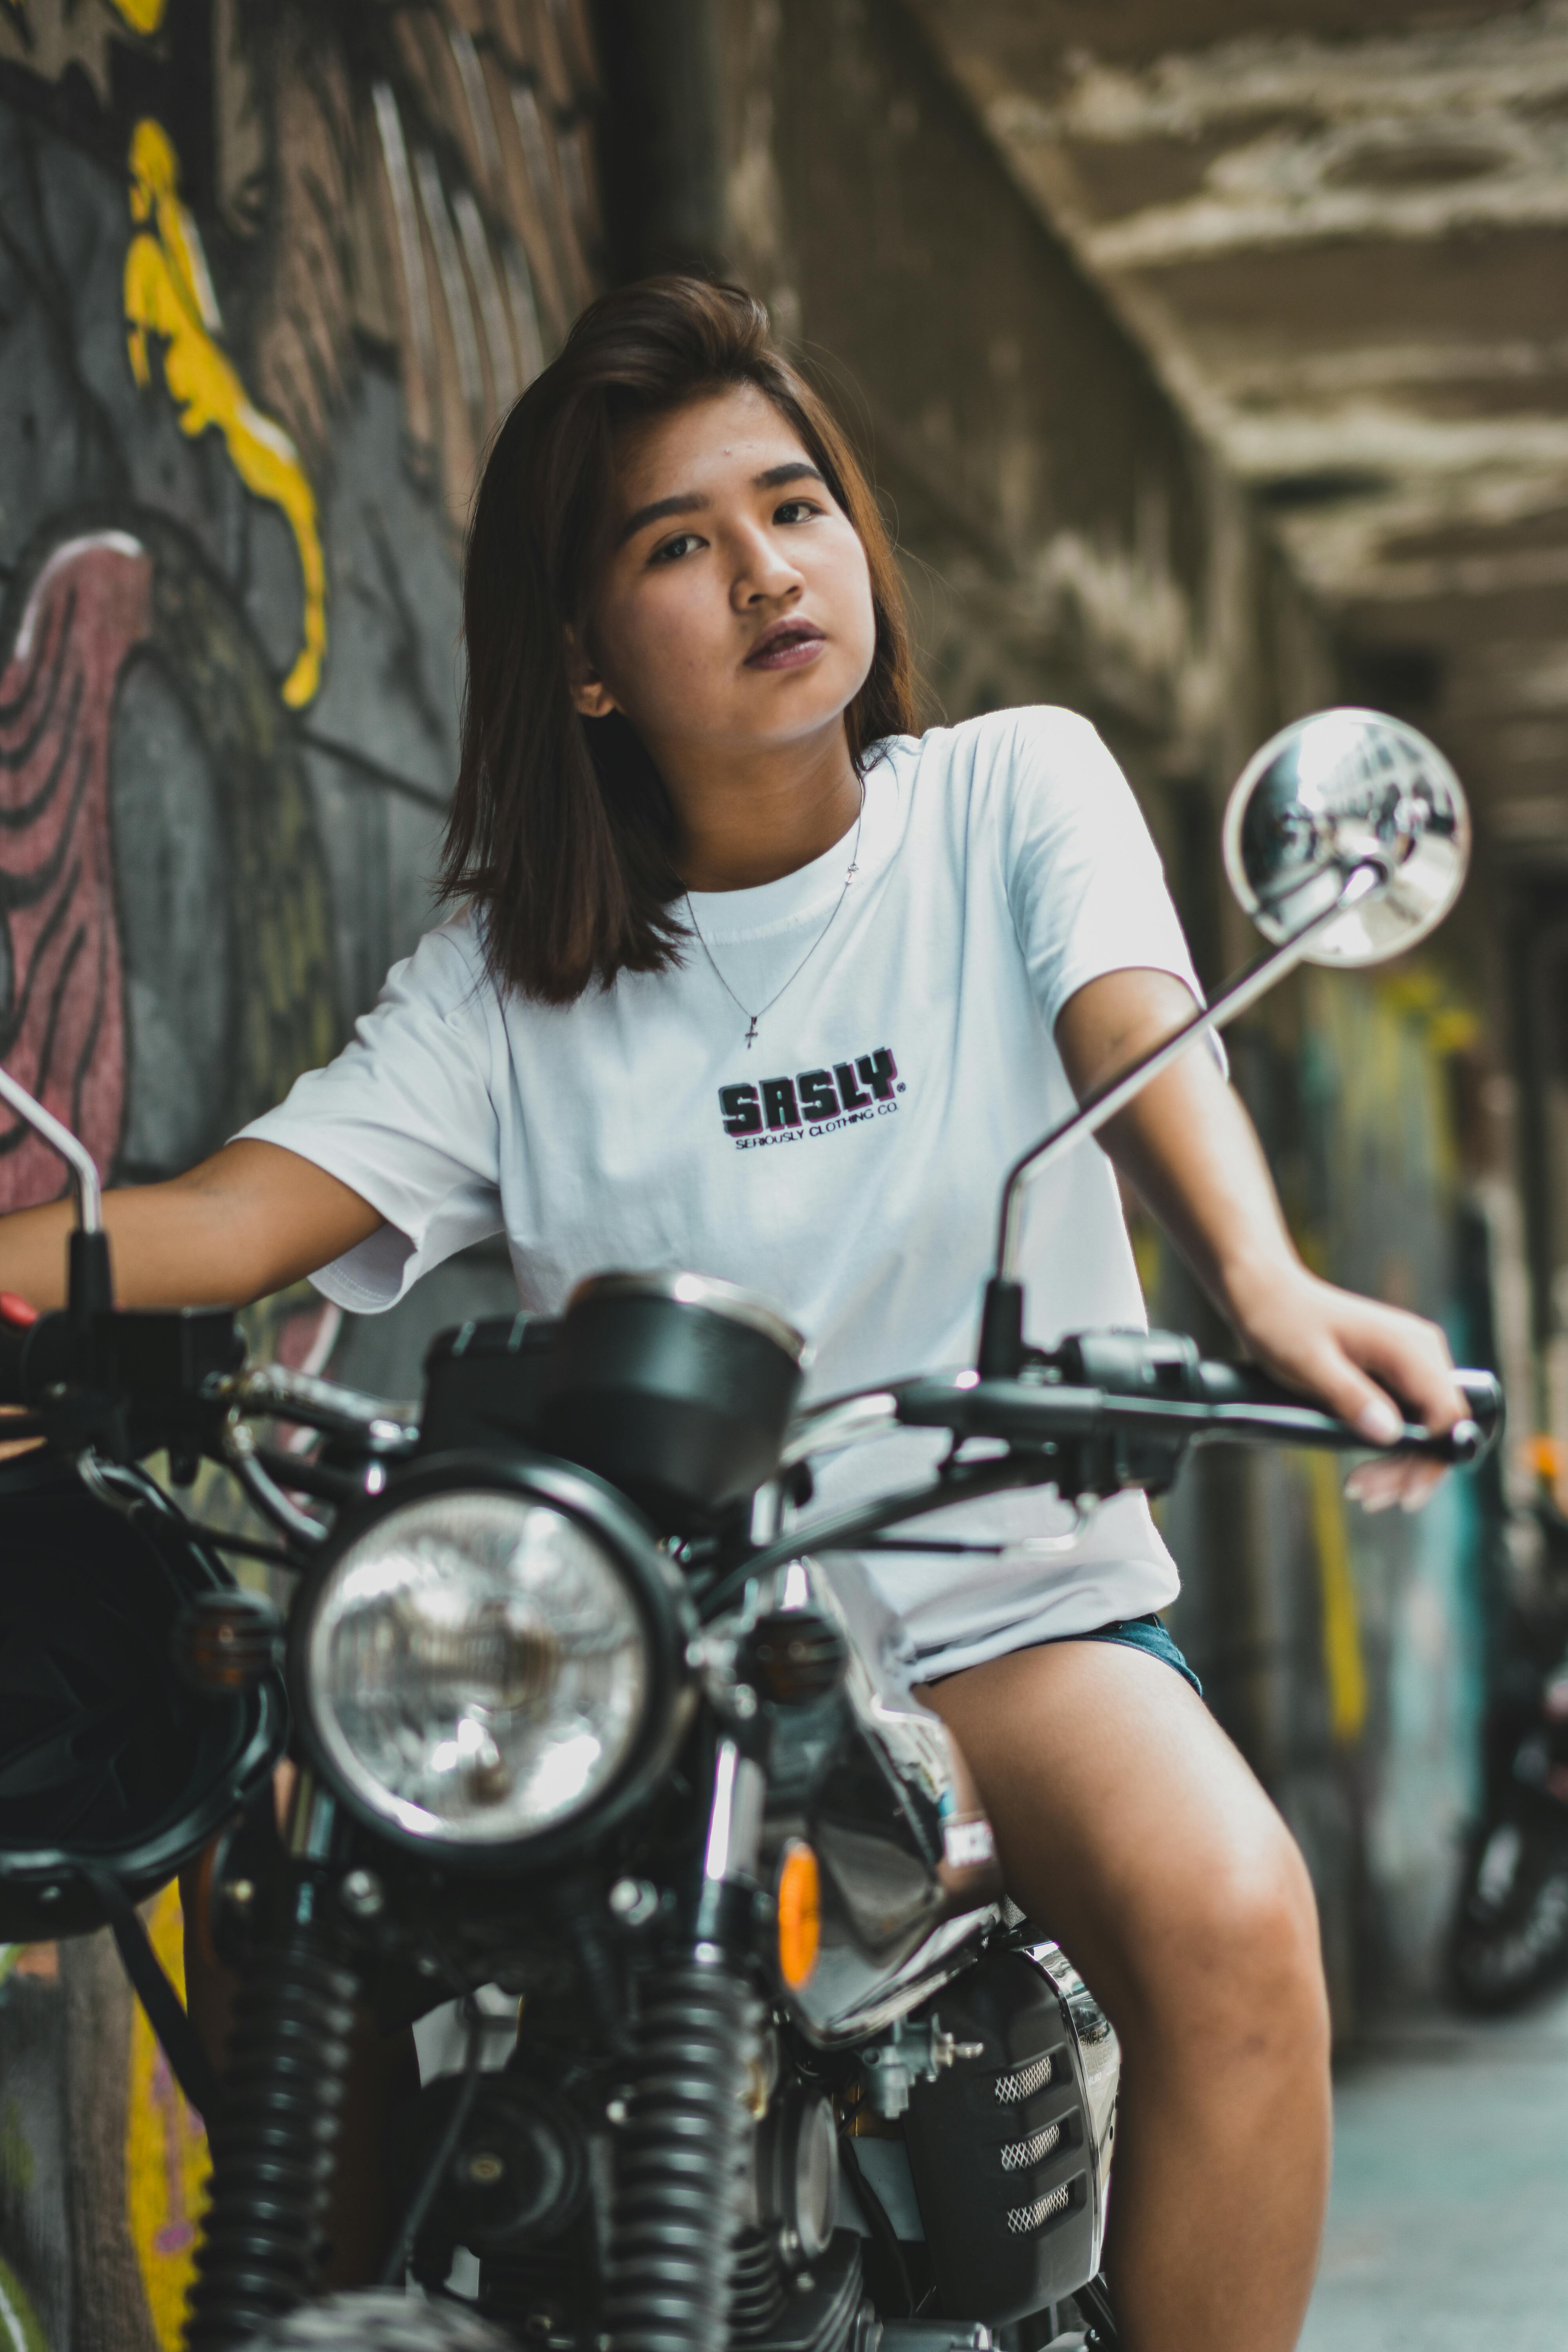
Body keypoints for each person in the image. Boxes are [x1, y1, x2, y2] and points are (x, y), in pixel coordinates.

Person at [0, 277, 1462, 2352]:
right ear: (586, 660)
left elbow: (1145, 1051)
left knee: (1234, 1922)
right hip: (641, 1653)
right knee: (283, 1897)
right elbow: (244, 1212)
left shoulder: (1006, 799)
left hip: (998, 1616)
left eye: (794, 505)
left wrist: (1264, 1276)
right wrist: (26, 1266)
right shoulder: (510, 979)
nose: (768, 568)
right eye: (679, 542)